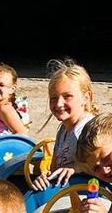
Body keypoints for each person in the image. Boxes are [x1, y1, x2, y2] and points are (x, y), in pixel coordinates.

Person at [32, 60, 98, 190]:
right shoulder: (63, 129)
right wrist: (45, 179)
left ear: (86, 97)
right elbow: (55, 169)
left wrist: (77, 167)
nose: (58, 104)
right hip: (65, 196)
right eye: (54, 98)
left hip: (90, 199)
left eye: (67, 96)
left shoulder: (89, 130)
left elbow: (107, 170)